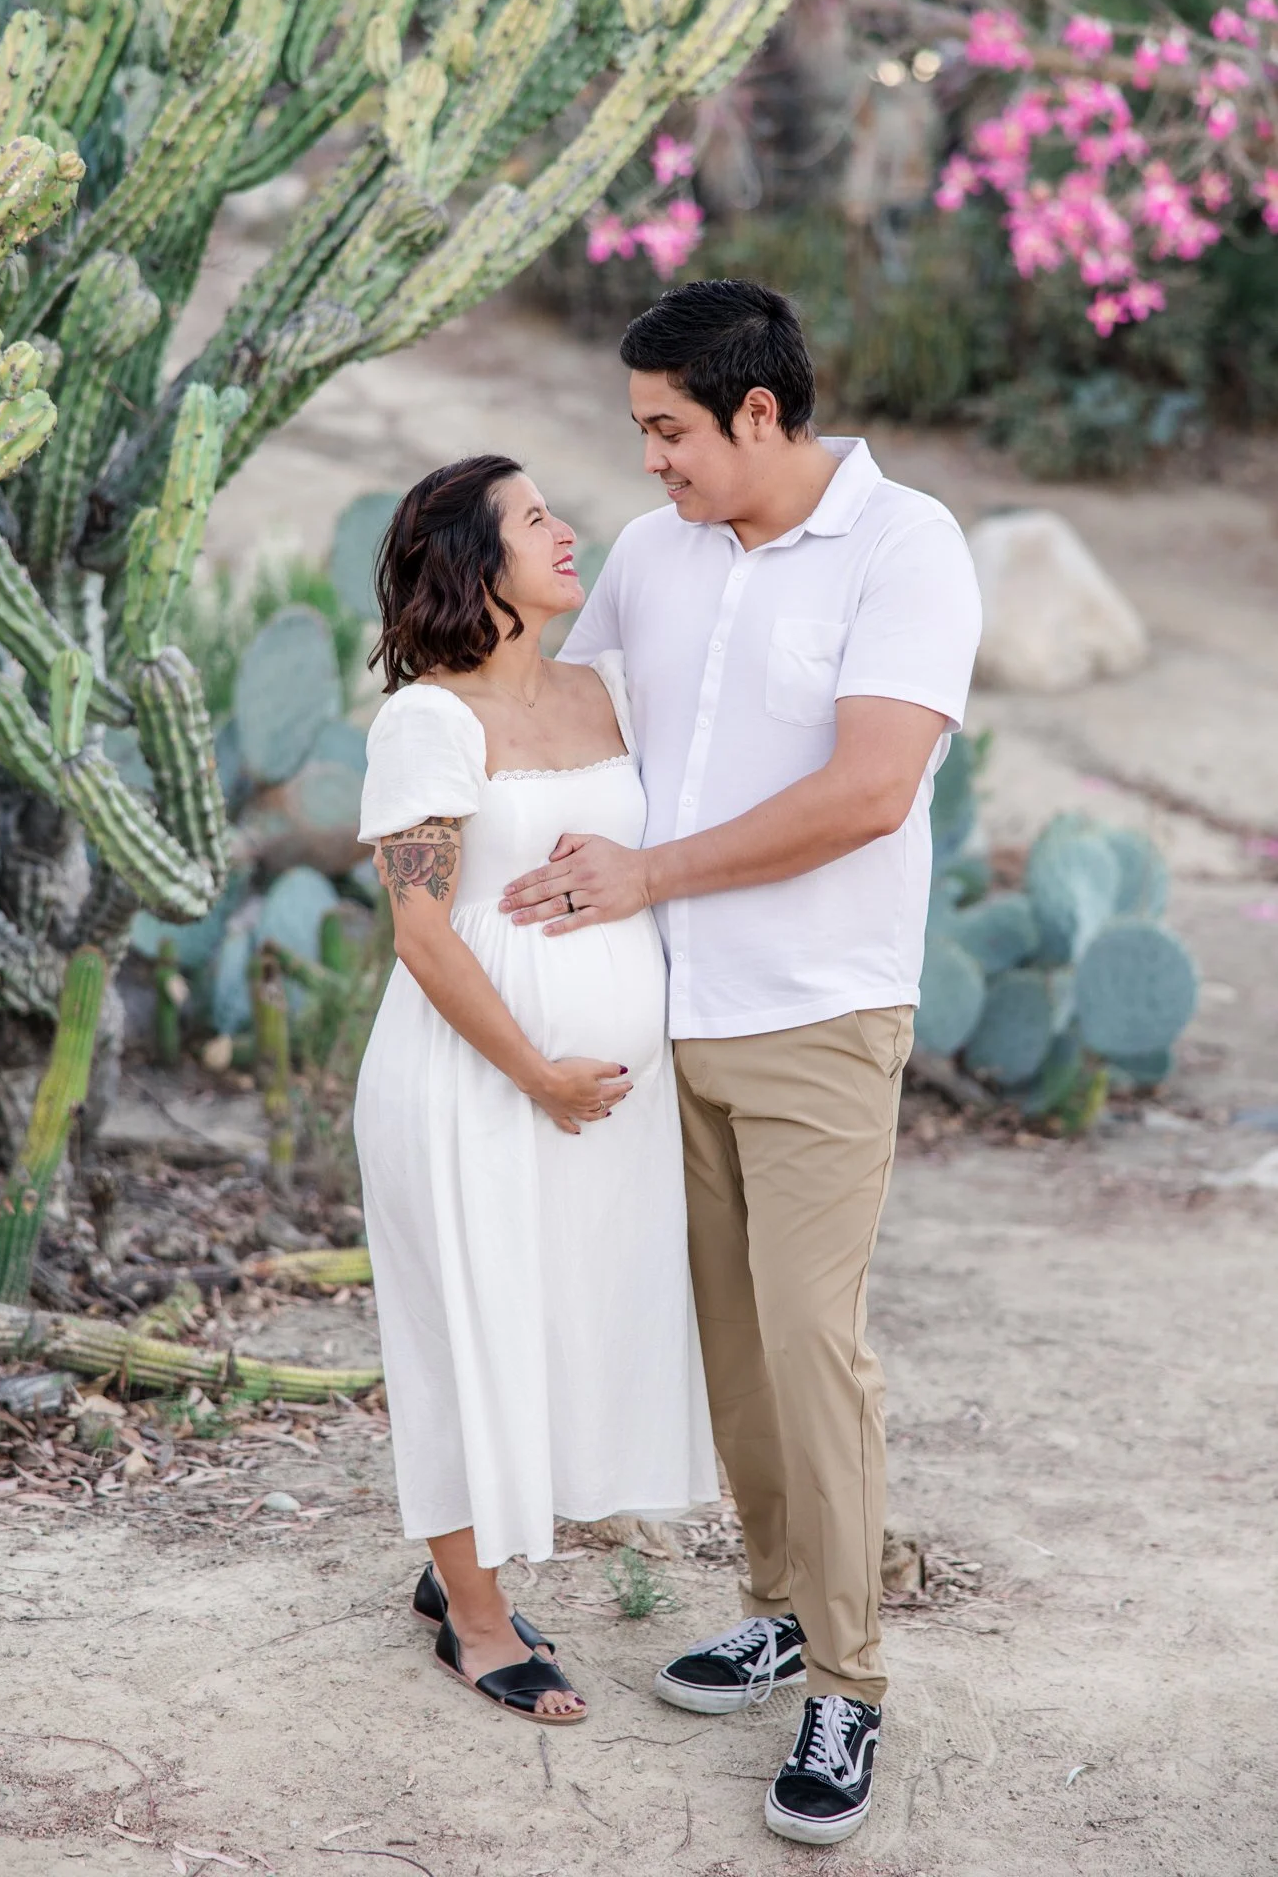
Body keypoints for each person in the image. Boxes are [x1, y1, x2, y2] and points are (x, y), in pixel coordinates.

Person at [500, 280, 983, 1840]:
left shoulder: (906, 549)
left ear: (759, 414)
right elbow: (581, 713)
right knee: (732, 1347)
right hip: (664, 1013)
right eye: (641, 432)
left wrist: (650, 875)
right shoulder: (656, 554)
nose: (647, 465)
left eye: (668, 431)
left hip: (820, 1012)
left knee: (810, 1343)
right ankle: (777, 1603)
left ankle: (845, 1686)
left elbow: (866, 794)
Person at [353, 453, 717, 1729]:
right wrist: (537, 1071)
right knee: (466, 1331)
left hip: (593, 1100)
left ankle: (454, 1559)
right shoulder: (430, 720)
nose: (568, 531)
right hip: (467, 1081)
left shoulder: (608, 688)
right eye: (533, 518)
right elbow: (420, 930)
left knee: (545, 1325)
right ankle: (479, 1613)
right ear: (473, 559)